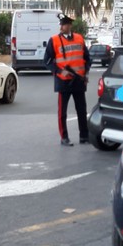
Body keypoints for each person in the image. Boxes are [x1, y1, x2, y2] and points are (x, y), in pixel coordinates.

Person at [43, 13, 91, 146]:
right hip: (63, 81)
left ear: (70, 26)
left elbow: (87, 59)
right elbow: (47, 61)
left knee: (82, 110)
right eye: (62, 24)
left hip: (79, 80)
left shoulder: (79, 38)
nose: (63, 27)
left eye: (65, 24)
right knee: (62, 111)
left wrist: (86, 73)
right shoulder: (54, 40)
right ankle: (64, 137)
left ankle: (84, 137)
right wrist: (59, 71)